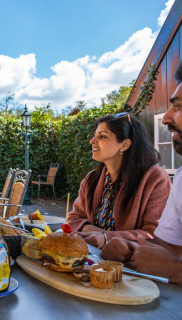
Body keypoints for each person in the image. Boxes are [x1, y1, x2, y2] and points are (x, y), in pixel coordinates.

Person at [101, 63, 182, 284]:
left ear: (124, 145)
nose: (166, 118)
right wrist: (131, 248)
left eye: (179, 107)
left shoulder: (154, 178)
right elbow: (167, 247)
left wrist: (176, 271)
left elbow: (162, 248)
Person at [67, 111, 171, 249]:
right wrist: (98, 233)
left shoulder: (155, 179)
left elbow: (154, 234)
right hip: (90, 261)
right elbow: (73, 220)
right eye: (95, 135)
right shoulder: (91, 179)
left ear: (124, 145)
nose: (92, 140)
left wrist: (105, 238)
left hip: (131, 265)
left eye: (102, 136)